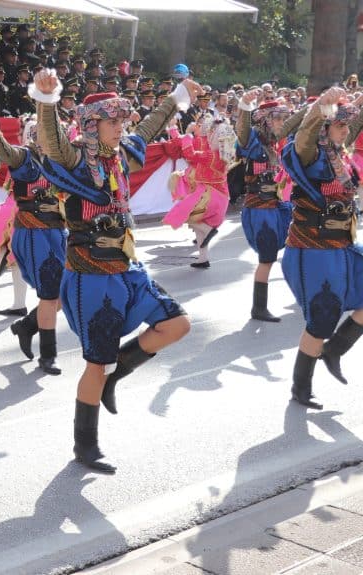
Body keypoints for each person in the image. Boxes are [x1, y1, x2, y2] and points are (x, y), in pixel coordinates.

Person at [32, 69, 196, 473]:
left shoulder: (121, 153)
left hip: (127, 268)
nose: (121, 127)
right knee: (94, 363)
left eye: (122, 120)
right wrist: (47, 99)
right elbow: (50, 141)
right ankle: (85, 445)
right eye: (113, 121)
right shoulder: (74, 157)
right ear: (92, 124)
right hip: (90, 274)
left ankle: (117, 372)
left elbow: (152, 125)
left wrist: (176, 97)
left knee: (177, 324)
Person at [280, 87, 363, 410]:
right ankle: (301, 387)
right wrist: (320, 106)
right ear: (325, 127)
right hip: (312, 248)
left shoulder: (339, 151)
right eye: (340, 126)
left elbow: (352, 122)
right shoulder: (310, 155)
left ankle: (334, 351)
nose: (346, 131)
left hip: (341, 245)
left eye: (347, 127)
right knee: (322, 318)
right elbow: (304, 133)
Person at [0, 111, 66, 375]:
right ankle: (48, 355)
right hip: (33, 233)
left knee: (64, 290)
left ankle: (27, 326)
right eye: (46, 132)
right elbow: (7, 153)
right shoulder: (24, 156)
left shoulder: (61, 160)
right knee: (50, 292)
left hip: (58, 231)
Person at [235, 90, 301, 322]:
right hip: (260, 210)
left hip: (277, 206)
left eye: (283, 119)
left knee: (287, 252)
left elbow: (298, 122)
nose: (282, 124)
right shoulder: (253, 141)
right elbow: (242, 131)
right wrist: (244, 105)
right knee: (267, 259)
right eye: (278, 119)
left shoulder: (275, 143)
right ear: (265, 120)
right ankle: (259, 307)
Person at [163, 112, 238, 268]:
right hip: (217, 194)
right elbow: (197, 147)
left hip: (209, 194)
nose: (209, 135)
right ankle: (203, 258)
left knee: (185, 216)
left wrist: (186, 137)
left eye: (212, 133)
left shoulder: (211, 155)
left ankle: (209, 230)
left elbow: (190, 154)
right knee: (197, 225)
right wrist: (184, 133)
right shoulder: (224, 154)